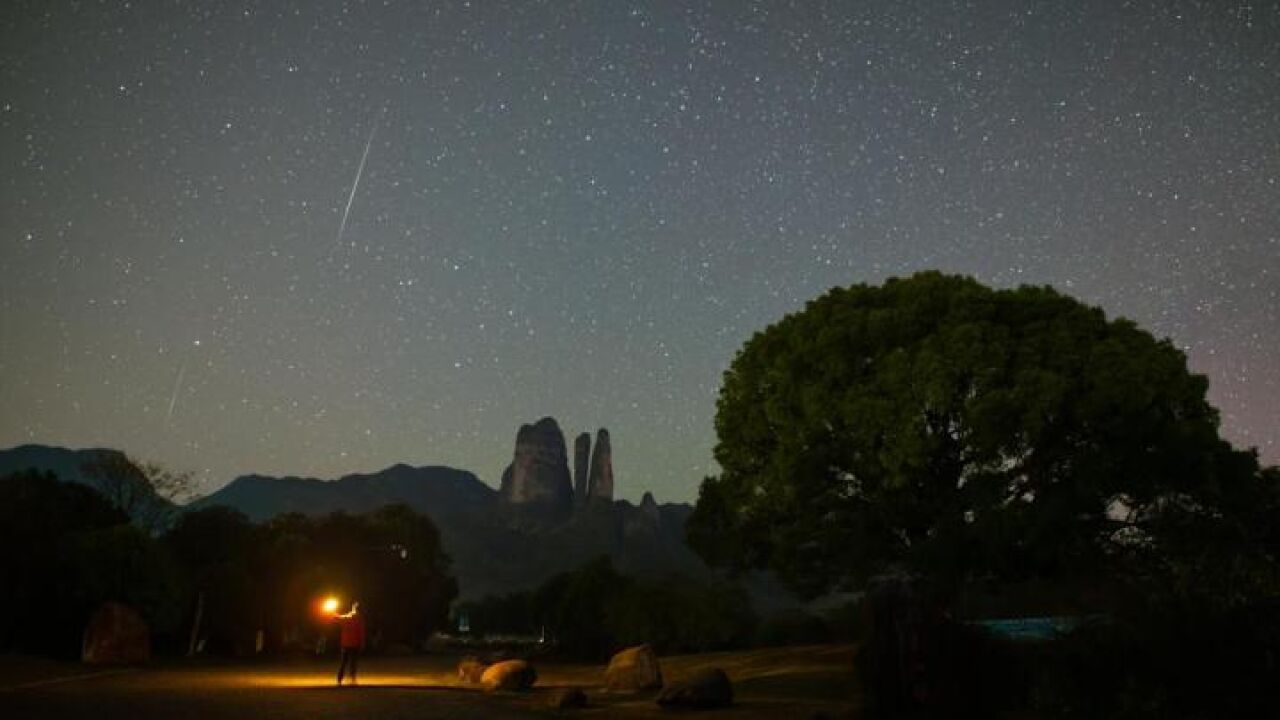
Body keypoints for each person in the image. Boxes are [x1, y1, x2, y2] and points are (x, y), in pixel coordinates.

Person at [335, 601, 366, 686]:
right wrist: (362, 643)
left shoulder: (347, 618)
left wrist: (332, 612)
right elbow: (361, 632)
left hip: (346, 644)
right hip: (354, 644)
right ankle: (352, 679)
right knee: (353, 662)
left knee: (344, 662)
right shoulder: (359, 619)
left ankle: (340, 679)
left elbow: (336, 618)